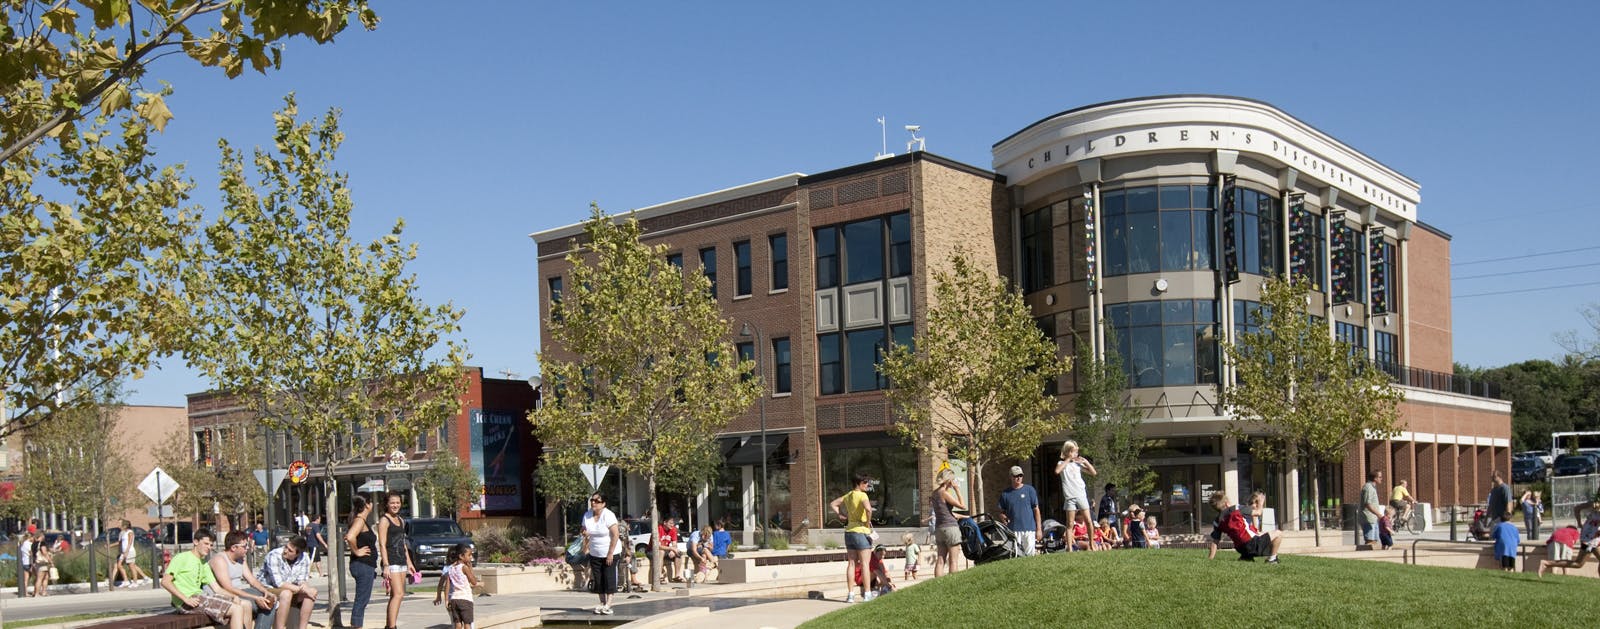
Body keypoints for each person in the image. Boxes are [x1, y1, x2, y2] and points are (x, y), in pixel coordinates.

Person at [161, 528, 251, 629]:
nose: (209, 547)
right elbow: (165, 582)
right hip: (186, 602)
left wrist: (233, 596)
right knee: (236, 609)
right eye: (206, 543)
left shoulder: (203, 563)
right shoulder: (181, 558)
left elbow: (217, 589)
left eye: (211, 545)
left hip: (200, 598)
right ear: (195, 542)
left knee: (244, 604)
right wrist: (185, 599)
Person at [208, 530, 278, 629]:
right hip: (227, 594)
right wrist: (255, 598)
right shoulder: (220, 560)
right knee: (251, 604)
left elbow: (252, 580)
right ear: (233, 548)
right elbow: (228, 588)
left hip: (241, 591)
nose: (248, 548)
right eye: (244, 546)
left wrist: (265, 591)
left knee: (271, 601)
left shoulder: (241, 559)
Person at [829, 472, 875, 603]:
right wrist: (867, 522)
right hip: (861, 531)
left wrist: (841, 515)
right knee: (865, 564)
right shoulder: (862, 495)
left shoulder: (848, 495)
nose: (868, 485)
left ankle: (850, 594)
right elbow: (869, 509)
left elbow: (833, 504)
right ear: (859, 483)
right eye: (865, 482)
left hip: (849, 531)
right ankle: (867, 594)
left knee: (851, 563)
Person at [258, 535, 318, 629]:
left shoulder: (304, 558)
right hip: (268, 588)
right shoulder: (274, 555)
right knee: (287, 594)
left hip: (290, 588)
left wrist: (306, 588)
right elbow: (278, 583)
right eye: (286, 547)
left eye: (290, 551)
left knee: (312, 592)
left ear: (298, 554)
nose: (285, 551)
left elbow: (302, 580)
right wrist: (303, 590)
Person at [1206, 491, 1283, 563]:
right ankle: (1272, 559)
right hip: (1252, 544)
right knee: (1278, 533)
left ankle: (1246, 557)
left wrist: (1210, 559)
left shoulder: (1217, 521)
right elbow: (1258, 513)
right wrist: (1260, 502)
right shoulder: (1236, 509)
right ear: (1227, 503)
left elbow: (1215, 542)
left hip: (1240, 548)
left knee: (1257, 537)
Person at [375, 491, 415, 628]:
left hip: (402, 561)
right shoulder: (384, 520)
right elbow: (382, 544)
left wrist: (409, 562)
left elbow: (402, 542)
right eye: (392, 502)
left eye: (397, 502)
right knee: (399, 594)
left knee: (395, 595)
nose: (395, 505)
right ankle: (392, 626)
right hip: (391, 561)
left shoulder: (401, 520)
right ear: (386, 504)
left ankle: (390, 625)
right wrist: (385, 565)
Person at [581, 492, 621, 615]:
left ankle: (609, 604)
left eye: (597, 501)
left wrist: (610, 553)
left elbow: (615, 535)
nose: (593, 503)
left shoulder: (608, 515)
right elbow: (583, 529)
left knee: (609, 577)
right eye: (592, 500)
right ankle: (602, 603)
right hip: (595, 552)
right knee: (598, 579)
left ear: (603, 504)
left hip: (610, 551)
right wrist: (584, 533)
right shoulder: (587, 515)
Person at [1054, 441, 1097, 552]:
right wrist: (1068, 459)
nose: (1076, 453)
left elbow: (1093, 473)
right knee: (1070, 523)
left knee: (1088, 520)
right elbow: (1057, 471)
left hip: (1081, 495)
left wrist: (1086, 462)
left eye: (1077, 451)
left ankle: (1092, 544)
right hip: (1069, 497)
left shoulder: (1078, 464)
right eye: (1074, 451)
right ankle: (1069, 548)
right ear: (1069, 452)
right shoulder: (1061, 464)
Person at [344, 496, 378, 629]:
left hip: (365, 565)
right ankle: (356, 626)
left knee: (362, 599)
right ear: (368, 505)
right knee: (361, 600)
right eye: (372, 502)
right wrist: (357, 551)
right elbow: (350, 537)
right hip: (363, 565)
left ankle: (356, 625)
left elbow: (349, 536)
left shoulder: (360, 520)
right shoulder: (360, 520)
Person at [928, 467, 967, 577]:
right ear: (949, 480)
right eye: (953, 480)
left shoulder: (934, 493)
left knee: (940, 559)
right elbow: (963, 506)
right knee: (953, 560)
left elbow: (943, 510)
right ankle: (953, 585)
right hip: (950, 528)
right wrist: (957, 489)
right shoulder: (944, 493)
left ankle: (938, 584)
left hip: (939, 528)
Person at [996, 465, 1042, 556]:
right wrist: (1002, 517)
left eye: (1020, 475)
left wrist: (1039, 529)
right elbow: (1000, 512)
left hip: (1029, 528)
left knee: (1030, 555)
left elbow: (1036, 510)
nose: (1018, 478)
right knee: (1016, 555)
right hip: (1013, 530)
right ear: (1010, 477)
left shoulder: (1030, 490)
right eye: (1016, 476)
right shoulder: (1005, 494)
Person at [434, 543, 480, 629]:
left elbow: (446, 585)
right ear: (461, 556)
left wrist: (446, 600)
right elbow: (473, 582)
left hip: (454, 599)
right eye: (469, 555)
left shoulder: (450, 569)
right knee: (467, 623)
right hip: (465, 599)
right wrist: (470, 569)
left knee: (457, 623)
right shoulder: (464, 567)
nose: (471, 557)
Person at [116, 519, 152, 588]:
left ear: (125, 525)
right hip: (123, 552)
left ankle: (135, 582)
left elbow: (130, 543)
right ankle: (126, 581)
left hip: (129, 551)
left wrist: (126, 551)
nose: (119, 525)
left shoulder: (130, 532)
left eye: (121, 524)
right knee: (119, 565)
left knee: (131, 566)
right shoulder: (123, 532)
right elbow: (121, 543)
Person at [1360, 470, 1383, 549]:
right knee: (1370, 542)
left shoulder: (1373, 487)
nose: (1381, 479)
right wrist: (1378, 514)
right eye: (1380, 477)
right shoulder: (1368, 487)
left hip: (1373, 519)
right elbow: (1367, 504)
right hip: (1368, 518)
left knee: (1375, 541)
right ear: (1375, 478)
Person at [657, 516, 683, 583]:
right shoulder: (659, 529)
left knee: (678, 553)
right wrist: (671, 548)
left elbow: (674, 543)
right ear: (665, 522)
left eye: (673, 523)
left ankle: (677, 576)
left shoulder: (673, 529)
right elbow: (658, 546)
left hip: (666, 550)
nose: (672, 525)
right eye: (670, 523)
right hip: (652, 551)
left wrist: (672, 550)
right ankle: (659, 576)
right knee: (661, 551)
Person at [32, 531, 52, 596]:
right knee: (40, 578)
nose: (44, 537)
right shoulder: (42, 543)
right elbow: (44, 552)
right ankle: (37, 593)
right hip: (42, 562)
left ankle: (43, 592)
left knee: (45, 577)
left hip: (37, 562)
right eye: (43, 536)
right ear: (40, 536)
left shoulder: (33, 544)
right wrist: (50, 561)